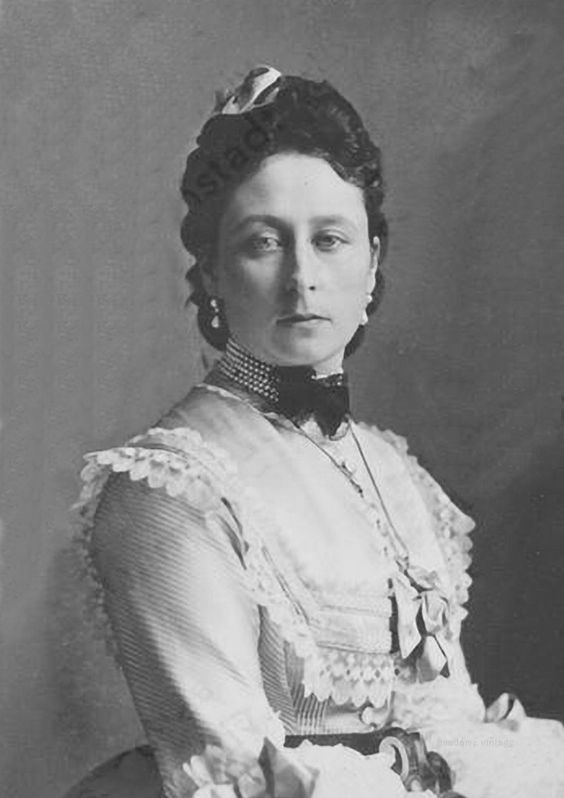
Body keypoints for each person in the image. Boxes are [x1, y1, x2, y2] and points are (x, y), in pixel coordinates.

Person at [68, 66, 564, 798]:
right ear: (211, 272)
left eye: (330, 240)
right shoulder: (169, 493)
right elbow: (235, 771)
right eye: (264, 242)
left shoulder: (396, 475)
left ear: (373, 264)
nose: (302, 277)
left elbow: (451, 723)